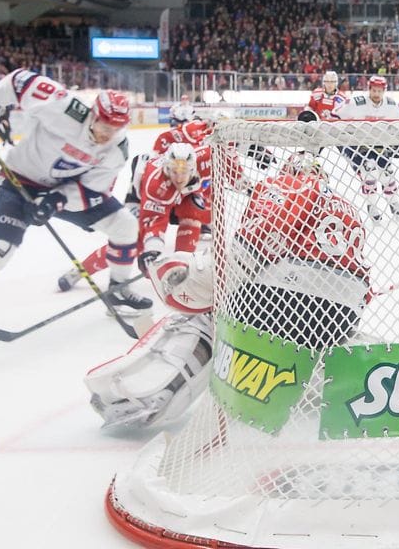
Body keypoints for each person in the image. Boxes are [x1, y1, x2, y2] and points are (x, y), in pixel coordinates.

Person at [84, 153, 370, 429]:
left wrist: (198, 283)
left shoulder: (280, 186)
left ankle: (154, 394)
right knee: (306, 334)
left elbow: (250, 251)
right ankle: (356, 379)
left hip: (285, 302)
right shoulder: (347, 206)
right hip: (340, 319)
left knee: (210, 316)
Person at [0, 69, 150, 361]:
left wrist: (56, 201)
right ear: (92, 113)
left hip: (63, 193)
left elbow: (93, 191)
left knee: (125, 226)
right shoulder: (65, 106)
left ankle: (117, 289)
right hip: (19, 183)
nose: (106, 132)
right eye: (103, 123)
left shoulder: (117, 148)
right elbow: (21, 81)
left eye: (114, 128)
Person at [56, 142, 220, 291]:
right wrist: (152, 253)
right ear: (166, 168)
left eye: (184, 172)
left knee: (193, 216)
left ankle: (183, 269)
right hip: (141, 198)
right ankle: (79, 271)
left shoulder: (205, 158)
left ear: (193, 168)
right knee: (132, 242)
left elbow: (222, 150)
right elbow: (155, 224)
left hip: (181, 196)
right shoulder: (157, 186)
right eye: (174, 171)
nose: (178, 177)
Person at [331, 75, 399, 222]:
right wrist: (346, 136)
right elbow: (335, 114)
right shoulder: (355, 103)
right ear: (369, 89)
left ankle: (394, 203)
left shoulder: (391, 105)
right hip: (358, 146)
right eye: (374, 90)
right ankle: (372, 206)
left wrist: (395, 145)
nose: (376, 94)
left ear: (384, 91)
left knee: (387, 174)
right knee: (369, 173)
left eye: (380, 91)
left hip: (380, 146)